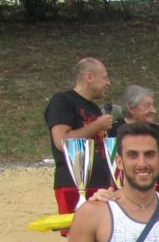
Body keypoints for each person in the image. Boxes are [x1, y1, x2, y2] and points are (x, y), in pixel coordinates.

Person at [45, 58, 114, 203]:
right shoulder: (62, 101)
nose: (108, 83)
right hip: (73, 185)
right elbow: (61, 142)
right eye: (105, 77)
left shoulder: (94, 108)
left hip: (100, 186)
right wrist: (97, 125)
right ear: (89, 77)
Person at [108, 85, 159, 183]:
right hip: (123, 190)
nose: (153, 110)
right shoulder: (113, 131)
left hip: (155, 192)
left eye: (152, 105)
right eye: (147, 106)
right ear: (131, 108)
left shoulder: (157, 131)